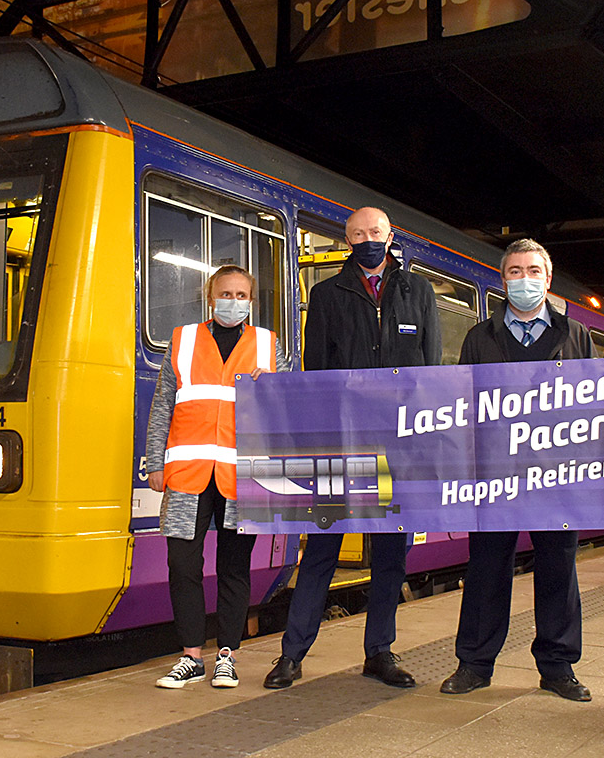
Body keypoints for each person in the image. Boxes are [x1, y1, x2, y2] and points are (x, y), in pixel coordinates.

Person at [263, 206, 441, 690]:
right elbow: (317, 374)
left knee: (390, 556)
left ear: (390, 235)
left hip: (400, 448)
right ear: (347, 239)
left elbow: (430, 375)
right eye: (358, 234)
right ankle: (292, 655)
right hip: (341, 446)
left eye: (375, 232)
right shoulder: (326, 295)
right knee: (321, 551)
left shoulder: (417, 292)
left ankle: (379, 652)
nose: (367, 240)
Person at [440, 239, 593, 702]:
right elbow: (463, 408)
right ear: (502, 280)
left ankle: (558, 666)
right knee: (487, 569)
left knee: (558, 569)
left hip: (556, 473)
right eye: (513, 272)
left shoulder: (575, 335)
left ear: (547, 279)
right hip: (494, 475)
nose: (523, 280)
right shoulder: (479, 338)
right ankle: (474, 663)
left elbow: (591, 403)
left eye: (532, 271)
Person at [146, 264, 285, 689]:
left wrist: (272, 388)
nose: (234, 302)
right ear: (210, 296)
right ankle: (191, 656)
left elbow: (283, 414)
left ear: (251, 301)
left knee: (234, 566)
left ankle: (227, 654)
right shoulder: (183, 340)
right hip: (187, 473)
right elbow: (162, 406)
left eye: (243, 295)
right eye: (227, 293)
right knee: (182, 563)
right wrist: (154, 462)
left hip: (242, 475)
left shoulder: (267, 346)